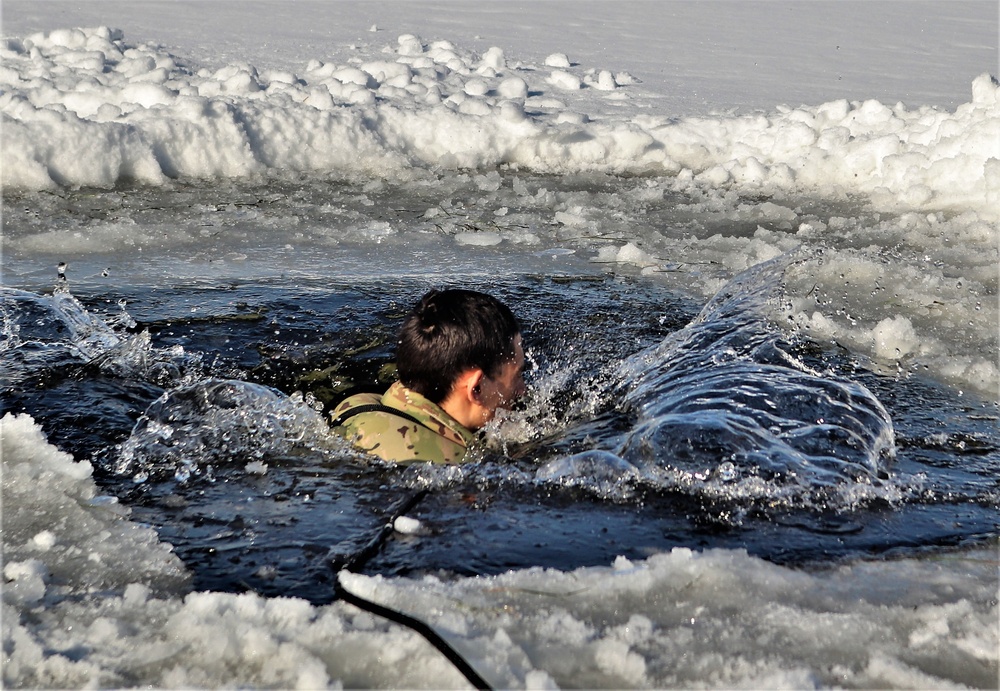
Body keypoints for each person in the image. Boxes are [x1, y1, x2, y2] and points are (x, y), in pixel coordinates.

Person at [330, 288, 526, 464]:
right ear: (476, 388)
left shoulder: (353, 409)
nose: (522, 390)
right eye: (517, 376)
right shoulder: (450, 467)